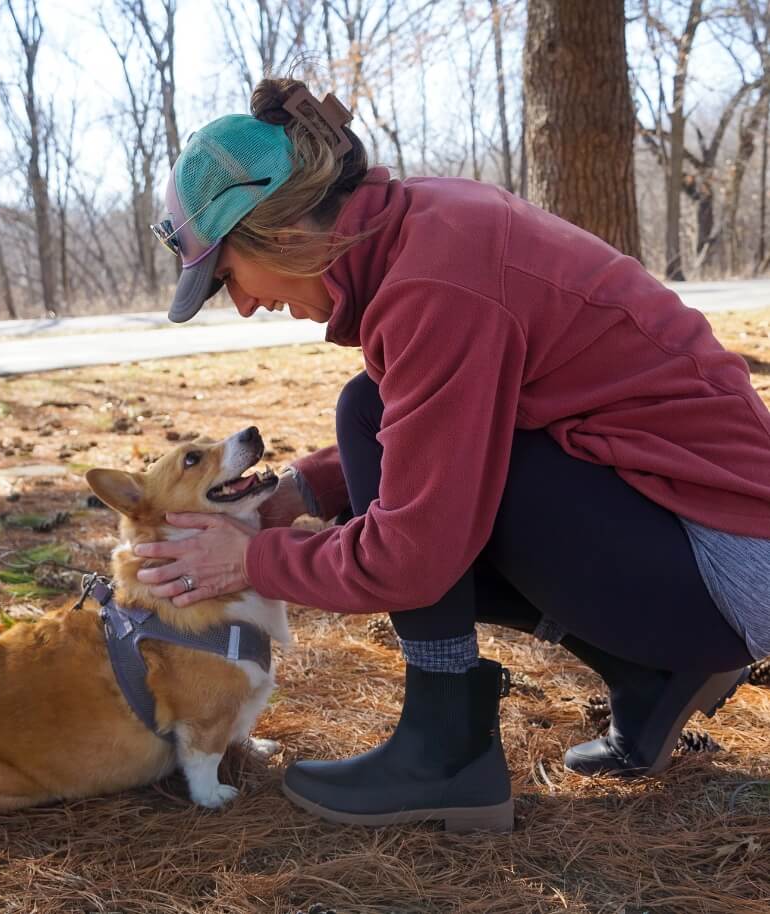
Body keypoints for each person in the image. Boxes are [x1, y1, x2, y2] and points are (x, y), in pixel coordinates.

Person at [133, 77, 770, 833]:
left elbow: (411, 554)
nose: (241, 303)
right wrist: (301, 492)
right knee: (368, 413)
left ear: (278, 229)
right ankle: (650, 675)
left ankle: (446, 752)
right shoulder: (425, 228)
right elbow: (432, 420)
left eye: (227, 275)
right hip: (690, 529)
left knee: (387, 451)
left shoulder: (437, 282)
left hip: (721, 562)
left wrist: (252, 561)